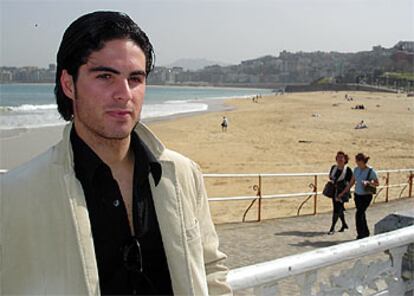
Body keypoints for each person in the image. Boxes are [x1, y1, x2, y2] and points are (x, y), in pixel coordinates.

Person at [1, 11, 231, 295]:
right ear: (68, 84)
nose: (124, 93)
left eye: (135, 78)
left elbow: (210, 269)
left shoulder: (182, 174)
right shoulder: (16, 194)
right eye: (105, 76)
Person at [338, 153, 379, 239]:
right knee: (361, 213)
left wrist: (368, 183)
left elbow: (377, 183)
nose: (356, 162)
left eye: (357, 161)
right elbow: (351, 183)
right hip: (358, 195)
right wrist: (343, 192)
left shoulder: (371, 171)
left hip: (366, 196)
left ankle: (360, 234)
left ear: (362, 161)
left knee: (359, 214)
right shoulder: (356, 170)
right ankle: (365, 232)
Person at [327, 151, 353, 235]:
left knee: (336, 208)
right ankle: (344, 224)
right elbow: (330, 176)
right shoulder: (334, 168)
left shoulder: (348, 170)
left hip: (342, 191)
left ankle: (332, 227)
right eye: (338, 157)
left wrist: (344, 189)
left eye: (341, 157)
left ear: (345, 159)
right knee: (339, 208)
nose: (340, 159)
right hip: (334, 191)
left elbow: (351, 181)